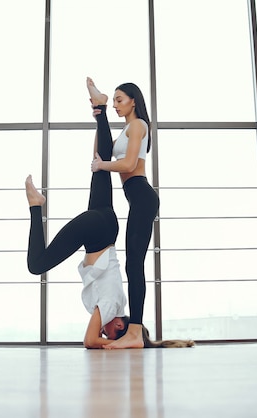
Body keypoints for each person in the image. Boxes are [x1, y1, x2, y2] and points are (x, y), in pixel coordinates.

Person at [25, 83, 128, 349]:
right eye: (111, 334)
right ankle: (36, 205)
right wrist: (115, 345)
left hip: (105, 227)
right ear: (118, 325)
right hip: (95, 230)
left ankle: (101, 107)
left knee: (100, 165)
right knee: (37, 265)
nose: (104, 333)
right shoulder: (110, 307)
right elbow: (89, 341)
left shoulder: (117, 301)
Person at [87, 77, 159, 349]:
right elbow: (100, 152)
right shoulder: (128, 130)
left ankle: (134, 333)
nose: (119, 105)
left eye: (119, 100)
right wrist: (99, 119)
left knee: (134, 265)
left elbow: (128, 163)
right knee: (133, 264)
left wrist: (103, 165)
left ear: (133, 101)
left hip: (142, 195)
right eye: (113, 101)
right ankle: (98, 104)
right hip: (136, 197)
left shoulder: (139, 125)